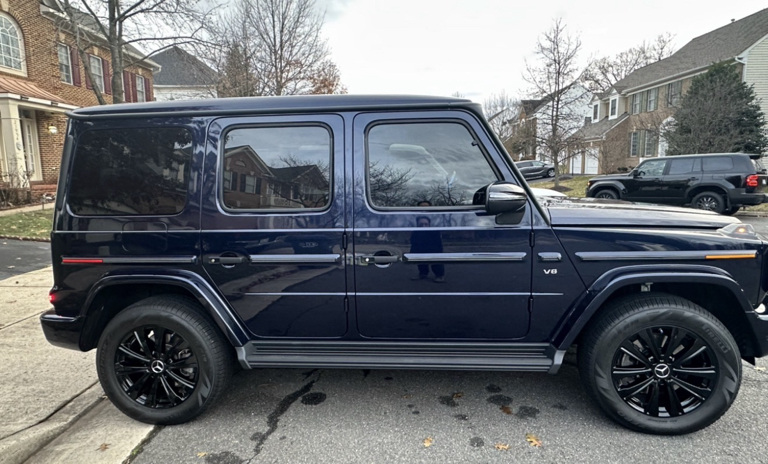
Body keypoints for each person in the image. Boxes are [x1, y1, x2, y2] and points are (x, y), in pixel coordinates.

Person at [410, 201, 445, 283]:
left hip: (432, 239)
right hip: (419, 238)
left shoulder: (435, 217)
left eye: (426, 206)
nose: (423, 208)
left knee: (436, 258)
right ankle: (423, 273)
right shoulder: (414, 216)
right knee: (420, 258)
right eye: (421, 206)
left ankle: (439, 275)